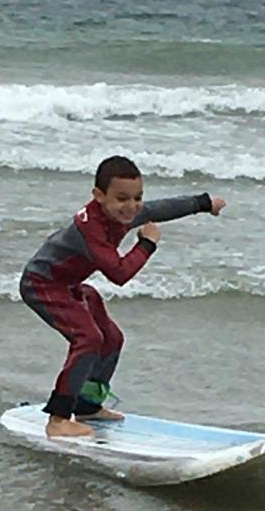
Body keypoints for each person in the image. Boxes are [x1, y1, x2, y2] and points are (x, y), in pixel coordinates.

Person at [19, 154, 226, 439]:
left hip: (70, 284)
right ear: (99, 196)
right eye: (122, 198)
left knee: (112, 338)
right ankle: (58, 418)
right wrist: (147, 244)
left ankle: (88, 405)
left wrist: (202, 203)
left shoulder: (118, 212)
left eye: (136, 197)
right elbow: (119, 274)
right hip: (42, 284)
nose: (132, 207)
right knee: (88, 338)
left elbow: (159, 208)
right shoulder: (90, 228)